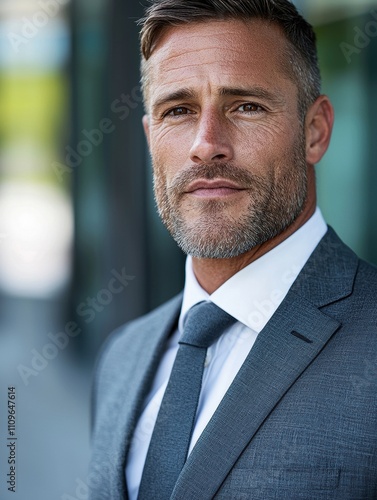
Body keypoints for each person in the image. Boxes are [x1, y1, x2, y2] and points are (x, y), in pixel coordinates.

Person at [89, 0, 377, 498]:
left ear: (316, 131)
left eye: (246, 106)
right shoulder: (121, 356)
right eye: (177, 111)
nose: (206, 144)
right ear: (149, 136)